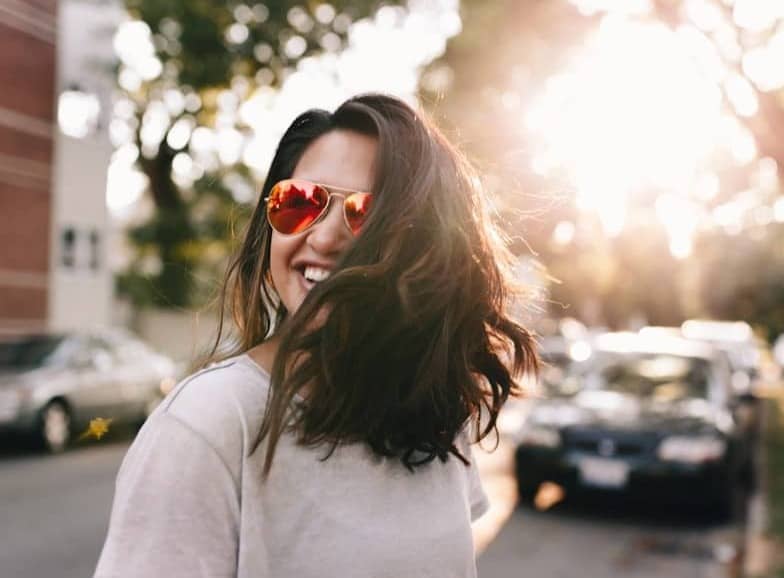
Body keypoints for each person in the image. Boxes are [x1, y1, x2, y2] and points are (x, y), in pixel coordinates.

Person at [94, 93, 538, 578]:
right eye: (300, 203)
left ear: (427, 249)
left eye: (366, 214)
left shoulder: (432, 411)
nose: (324, 239)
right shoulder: (208, 424)